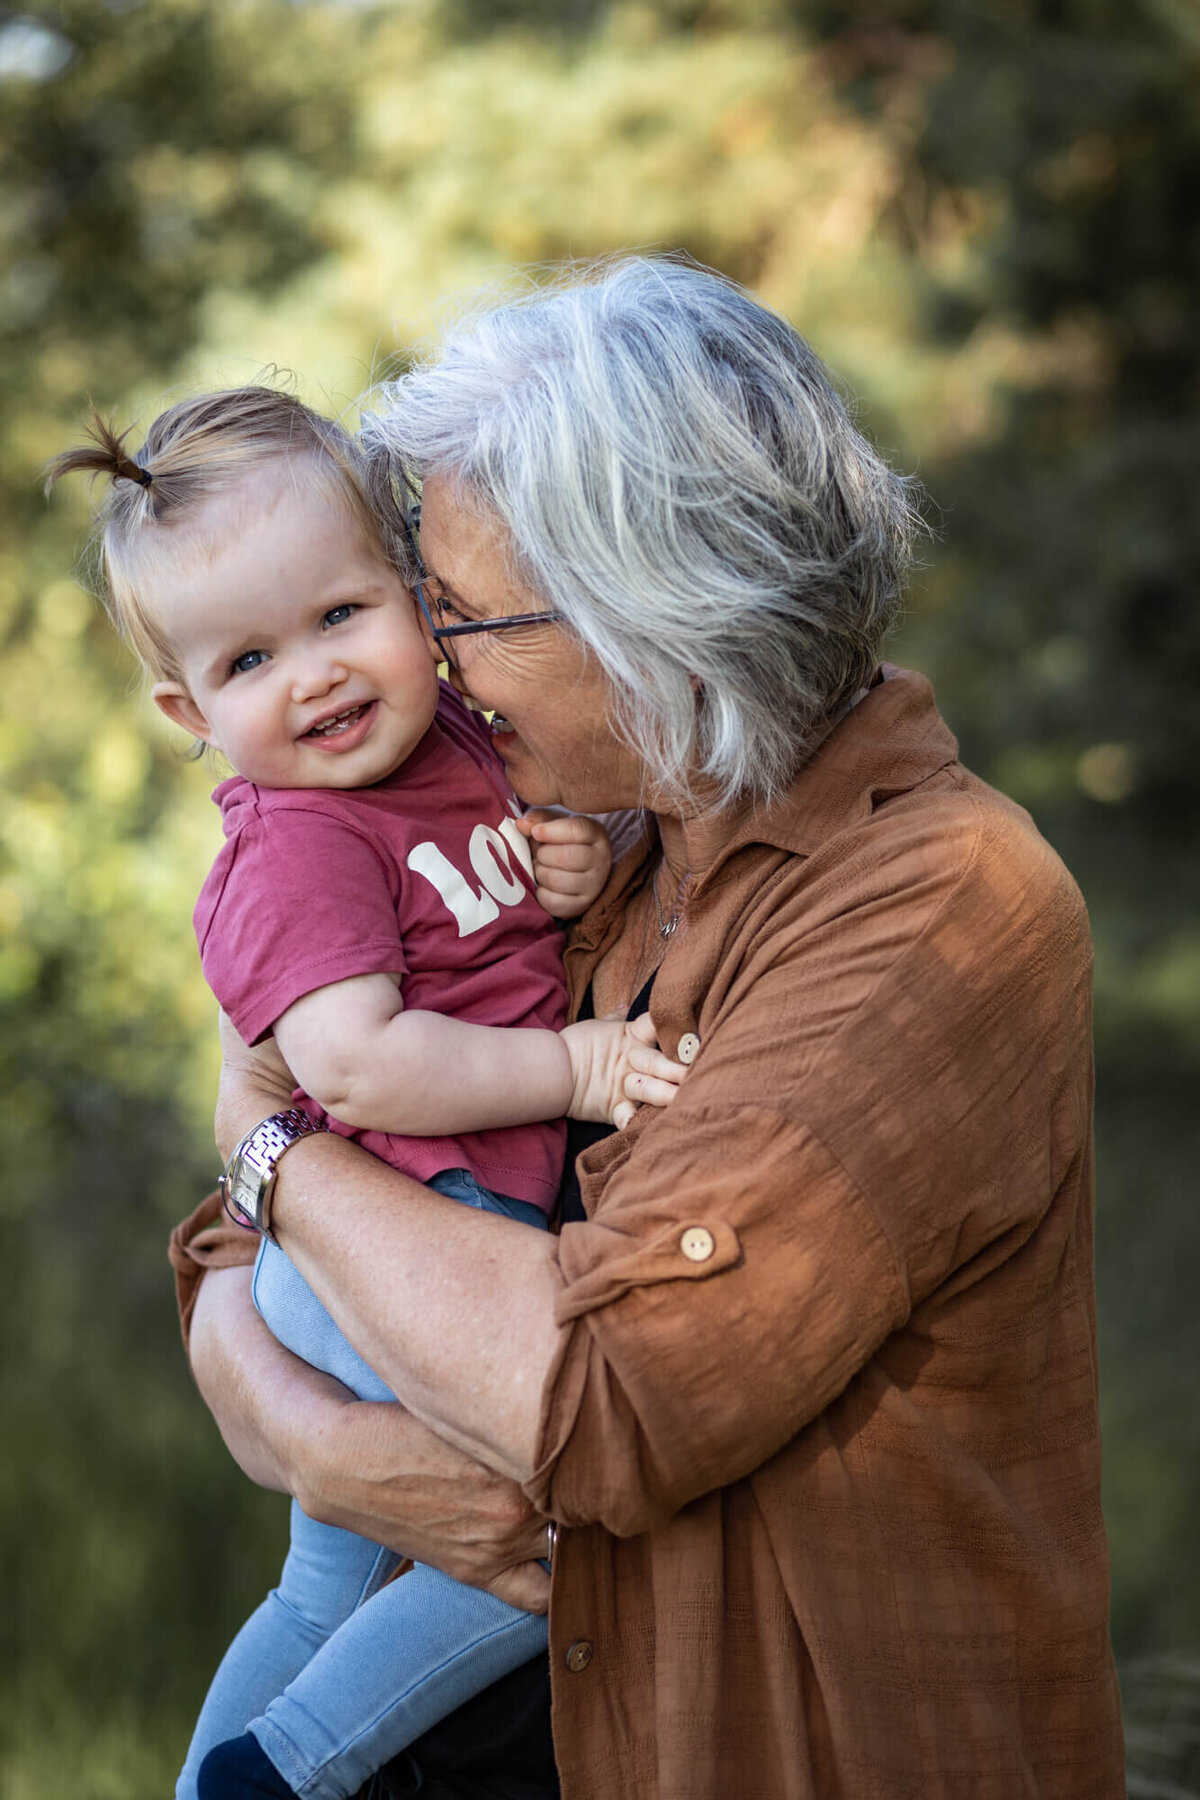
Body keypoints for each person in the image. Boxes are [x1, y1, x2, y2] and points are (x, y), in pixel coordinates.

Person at [171, 256, 1127, 1799]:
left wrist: (274, 1142)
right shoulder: (600, 842)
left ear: (648, 626)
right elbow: (237, 1254)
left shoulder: (933, 910)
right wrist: (322, 1448)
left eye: (465, 615)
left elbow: (602, 1403)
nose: (440, 665)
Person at [48, 389, 687, 1800]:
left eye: (342, 616)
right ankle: (292, 1770)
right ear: (188, 709)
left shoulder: (450, 747)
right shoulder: (294, 846)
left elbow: (493, 899)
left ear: (415, 598)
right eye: (252, 658)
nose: (317, 676)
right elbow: (357, 1063)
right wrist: (572, 1066)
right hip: (392, 1233)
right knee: (546, 1527)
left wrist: (562, 860)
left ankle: (214, 1780)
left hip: (391, 1224)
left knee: (326, 1588)